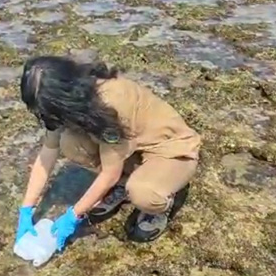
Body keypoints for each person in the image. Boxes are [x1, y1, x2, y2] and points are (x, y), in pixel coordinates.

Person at [17, 55, 201, 251]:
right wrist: (27, 209)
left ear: (65, 100)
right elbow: (48, 152)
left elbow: (108, 173)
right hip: (131, 145)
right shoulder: (67, 102)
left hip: (169, 148)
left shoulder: (109, 105)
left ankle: (162, 201)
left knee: (142, 193)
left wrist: (73, 215)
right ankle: (123, 184)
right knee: (70, 143)